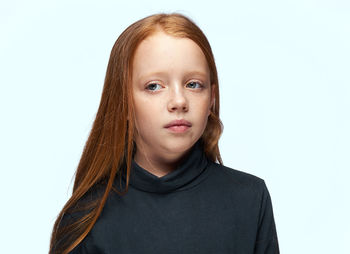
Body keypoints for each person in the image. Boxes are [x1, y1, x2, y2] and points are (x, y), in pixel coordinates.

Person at [49, 12, 279, 254]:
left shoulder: (250, 199)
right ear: (123, 101)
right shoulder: (85, 217)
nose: (179, 101)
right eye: (154, 86)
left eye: (193, 84)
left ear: (211, 97)